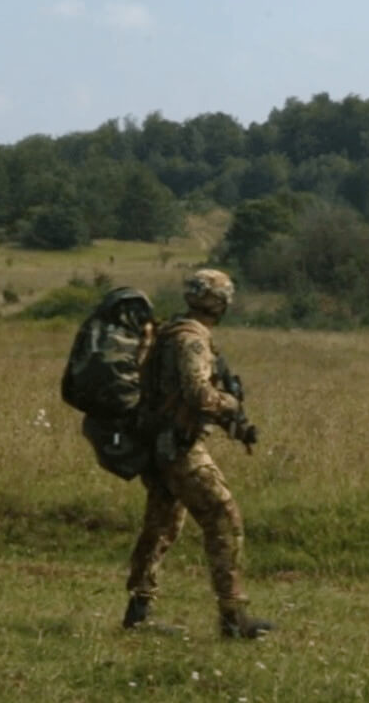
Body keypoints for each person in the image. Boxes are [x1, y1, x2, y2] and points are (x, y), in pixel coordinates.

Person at [123, 268, 274, 639]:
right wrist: (230, 402)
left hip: (159, 445)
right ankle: (233, 617)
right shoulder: (192, 339)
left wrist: (235, 424)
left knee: (160, 528)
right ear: (219, 302)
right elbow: (198, 394)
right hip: (179, 448)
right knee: (223, 518)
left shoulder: (171, 331)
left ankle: (138, 613)